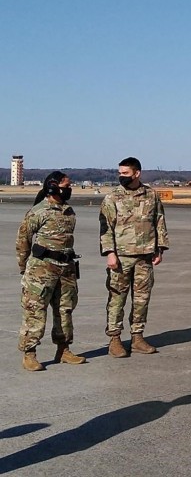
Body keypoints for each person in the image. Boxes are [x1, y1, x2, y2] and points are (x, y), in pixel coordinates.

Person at [100, 157, 170, 358]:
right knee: (117, 299)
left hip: (145, 257)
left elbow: (159, 221)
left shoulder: (151, 195)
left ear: (137, 173)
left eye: (125, 173)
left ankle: (137, 337)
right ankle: (114, 339)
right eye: (119, 173)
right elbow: (105, 228)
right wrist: (110, 253)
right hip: (121, 257)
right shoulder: (112, 197)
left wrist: (160, 249)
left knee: (141, 299)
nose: (121, 177)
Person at [15, 172, 85, 371]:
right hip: (42, 270)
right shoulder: (39, 211)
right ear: (54, 187)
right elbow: (23, 240)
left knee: (65, 310)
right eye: (66, 185)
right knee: (35, 311)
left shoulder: (69, 211)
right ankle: (29, 354)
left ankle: (63, 349)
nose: (69, 188)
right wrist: (23, 267)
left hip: (66, 268)